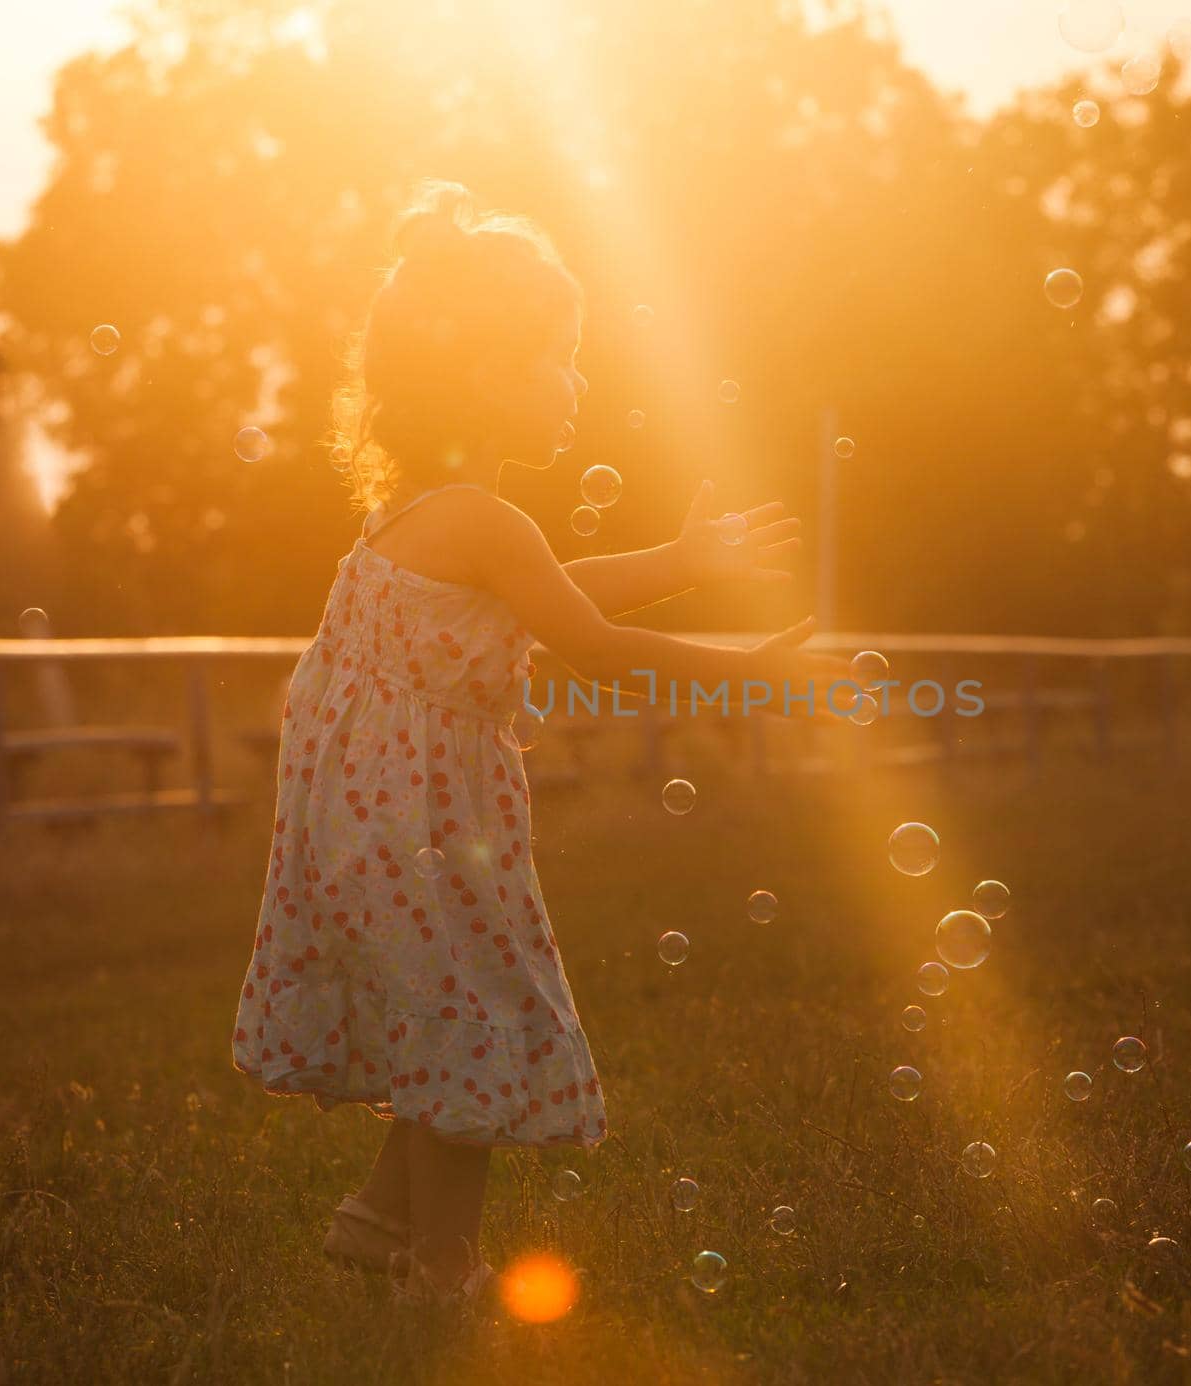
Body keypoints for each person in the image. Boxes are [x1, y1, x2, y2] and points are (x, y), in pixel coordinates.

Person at [230, 177, 851, 1304]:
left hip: (371, 824)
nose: (576, 382)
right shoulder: (487, 519)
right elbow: (592, 641)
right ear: (480, 374)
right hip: (421, 827)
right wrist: (751, 673)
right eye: (556, 357)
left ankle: (379, 1217)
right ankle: (445, 1268)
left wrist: (679, 557)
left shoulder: (428, 515)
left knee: (437, 1002)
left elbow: (540, 595)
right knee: (465, 1011)